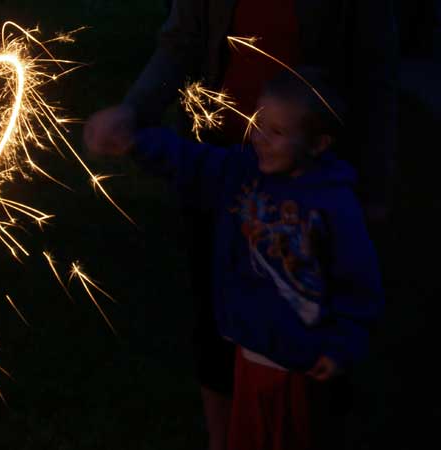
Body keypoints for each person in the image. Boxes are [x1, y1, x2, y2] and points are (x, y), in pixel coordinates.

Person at [85, 2, 396, 449]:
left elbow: (357, 281)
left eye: (274, 131)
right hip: (251, 355)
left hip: (304, 364)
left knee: (307, 425)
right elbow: (187, 152)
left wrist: (342, 341)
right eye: (260, 126)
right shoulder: (238, 172)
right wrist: (133, 130)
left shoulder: (330, 205)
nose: (260, 134)